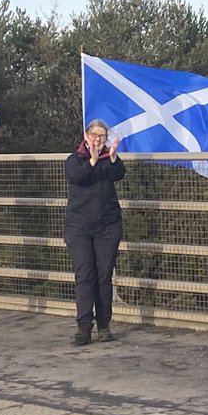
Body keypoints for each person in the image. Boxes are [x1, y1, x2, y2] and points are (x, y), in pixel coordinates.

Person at [63, 119, 125, 346]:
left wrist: (114, 157)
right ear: (86, 135)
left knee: (103, 276)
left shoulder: (109, 159)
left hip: (107, 226)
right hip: (78, 227)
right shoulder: (74, 160)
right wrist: (91, 160)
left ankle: (104, 325)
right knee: (85, 277)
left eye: (102, 135)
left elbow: (119, 173)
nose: (98, 139)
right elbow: (77, 177)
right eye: (94, 134)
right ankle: (83, 326)